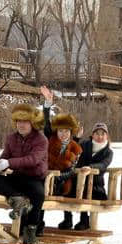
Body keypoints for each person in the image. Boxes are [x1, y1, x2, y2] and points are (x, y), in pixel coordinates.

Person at [0, 104, 48, 244]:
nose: (21, 125)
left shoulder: (41, 140)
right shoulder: (11, 138)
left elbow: (33, 160)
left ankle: (31, 229)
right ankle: (18, 199)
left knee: (38, 194)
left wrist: (8, 163)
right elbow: (5, 156)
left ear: (32, 123)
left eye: (25, 122)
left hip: (34, 178)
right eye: (19, 121)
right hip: (17, 178)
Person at [39, 86, 83, 234]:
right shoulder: (50, 140)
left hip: (63, 180)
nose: (63, 134)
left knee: (66, 186)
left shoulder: (75, 148)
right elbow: (46, 122)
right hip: (46, 177)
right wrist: (48, 103)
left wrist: (58, 177)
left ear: (71, 133)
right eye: (61, 131)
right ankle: (38, 221)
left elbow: (71, 170)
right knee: (40, 189)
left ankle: (68, 218)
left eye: (67, 131)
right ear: (56, 131)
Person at [65, 122, 114, 230]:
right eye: (97, 133)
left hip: (96, 185)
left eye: (103, 134)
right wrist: (77, 138)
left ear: (106, 136)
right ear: (93, 135)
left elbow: (103, 164)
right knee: (67, 188)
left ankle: (84, 220)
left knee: (87, 191)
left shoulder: (108, 152)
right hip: (78, 181)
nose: (100, 136)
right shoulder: (85, 145)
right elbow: (72, 151)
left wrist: (90, 167)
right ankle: (67, 219)